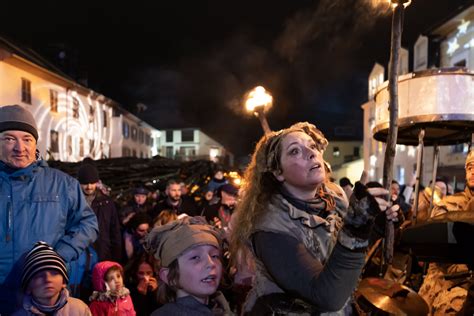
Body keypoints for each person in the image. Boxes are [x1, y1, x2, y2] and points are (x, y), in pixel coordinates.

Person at [230, 122, 399, 314]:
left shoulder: (334, 196)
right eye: (294, 151)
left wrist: (376, 225)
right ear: (278, 172)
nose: (311, 153)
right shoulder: (269, 225)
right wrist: (356, 227)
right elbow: (327, 297)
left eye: (312, 146)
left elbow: (345, 259)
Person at [0, 104, 98, 313]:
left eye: (27, 139)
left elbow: (88, 223)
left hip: (45, 301)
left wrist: (58, 257)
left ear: (35, 143)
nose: (20, 147)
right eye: (9, 139)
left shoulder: (62, 184)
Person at [418, 150, 474, 315]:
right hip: (448, 281)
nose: (473, 171)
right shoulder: (449, 204)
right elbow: (438, 251)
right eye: (470, 167)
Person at [144, 217, 232, 315]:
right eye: (195, 257)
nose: (211, 263)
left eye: (215, 256)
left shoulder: (222, 309)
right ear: (168, 276)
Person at [13, 241, 91, 315]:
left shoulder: (79, 310)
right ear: (28, 287)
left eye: (54, 273)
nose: (48, 279)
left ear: (63, 282)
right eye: (39, 276)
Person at [78, 163, 122, 262]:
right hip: (80, 255)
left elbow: (115, 231)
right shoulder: (74, 202)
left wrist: (116, 259)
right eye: (85, 183)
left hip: (103, 253)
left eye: (92, 183)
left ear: (97, 182)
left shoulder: (107, 203)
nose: (89, 186)